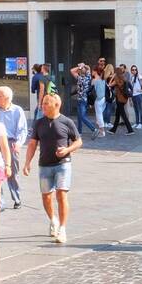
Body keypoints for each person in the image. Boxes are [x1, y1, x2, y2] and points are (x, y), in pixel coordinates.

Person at [23, 92, 83, 245]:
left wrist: (67, 150)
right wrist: (27, 163)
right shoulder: (39, 123)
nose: (42, 106)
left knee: (61, 195)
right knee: (46, 197)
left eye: (46, 103)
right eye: (42, 103)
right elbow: (32, 144)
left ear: (56, 105)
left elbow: (78, 141)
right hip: (44, 165)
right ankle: (53, 219)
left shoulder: (67, 122)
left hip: (63, 164)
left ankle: (62, 228)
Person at [0, 85, 28, 211]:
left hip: (11, 143)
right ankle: (0, 201)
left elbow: (22, 130)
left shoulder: (17, 110)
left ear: (7, 98)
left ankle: (17, 198)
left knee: (13, 172)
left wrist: (19, 143)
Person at [70, 62, 97, 136]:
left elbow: (72, 70)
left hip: (82, 100)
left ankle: (94, 129)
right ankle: (79, 132)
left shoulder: (83, 78)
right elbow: (88, 68)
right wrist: (83, 66)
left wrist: (80, 66)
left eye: (82, 69)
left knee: (82, 117)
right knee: (79, 116)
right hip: (81, 99)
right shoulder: (86, 77)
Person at [110, 65, 134, 135]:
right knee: (117, 114)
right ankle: (113, 129)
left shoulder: (117, 79)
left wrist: (112, 78)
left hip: (119, 99)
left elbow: (110, 85)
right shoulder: (124, 78)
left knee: (123, 115)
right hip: (124, 98)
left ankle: (130, 130)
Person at [90, 66, 108, 138]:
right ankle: (101, 130)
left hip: (98, 100)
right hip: (104, 99)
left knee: (99, 115)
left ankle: (102, 131)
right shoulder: (103, 80)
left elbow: (90, 87)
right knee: (100, 115)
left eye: (93, 71)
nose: (92, 72)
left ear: (95, 71)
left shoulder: (94, 80)